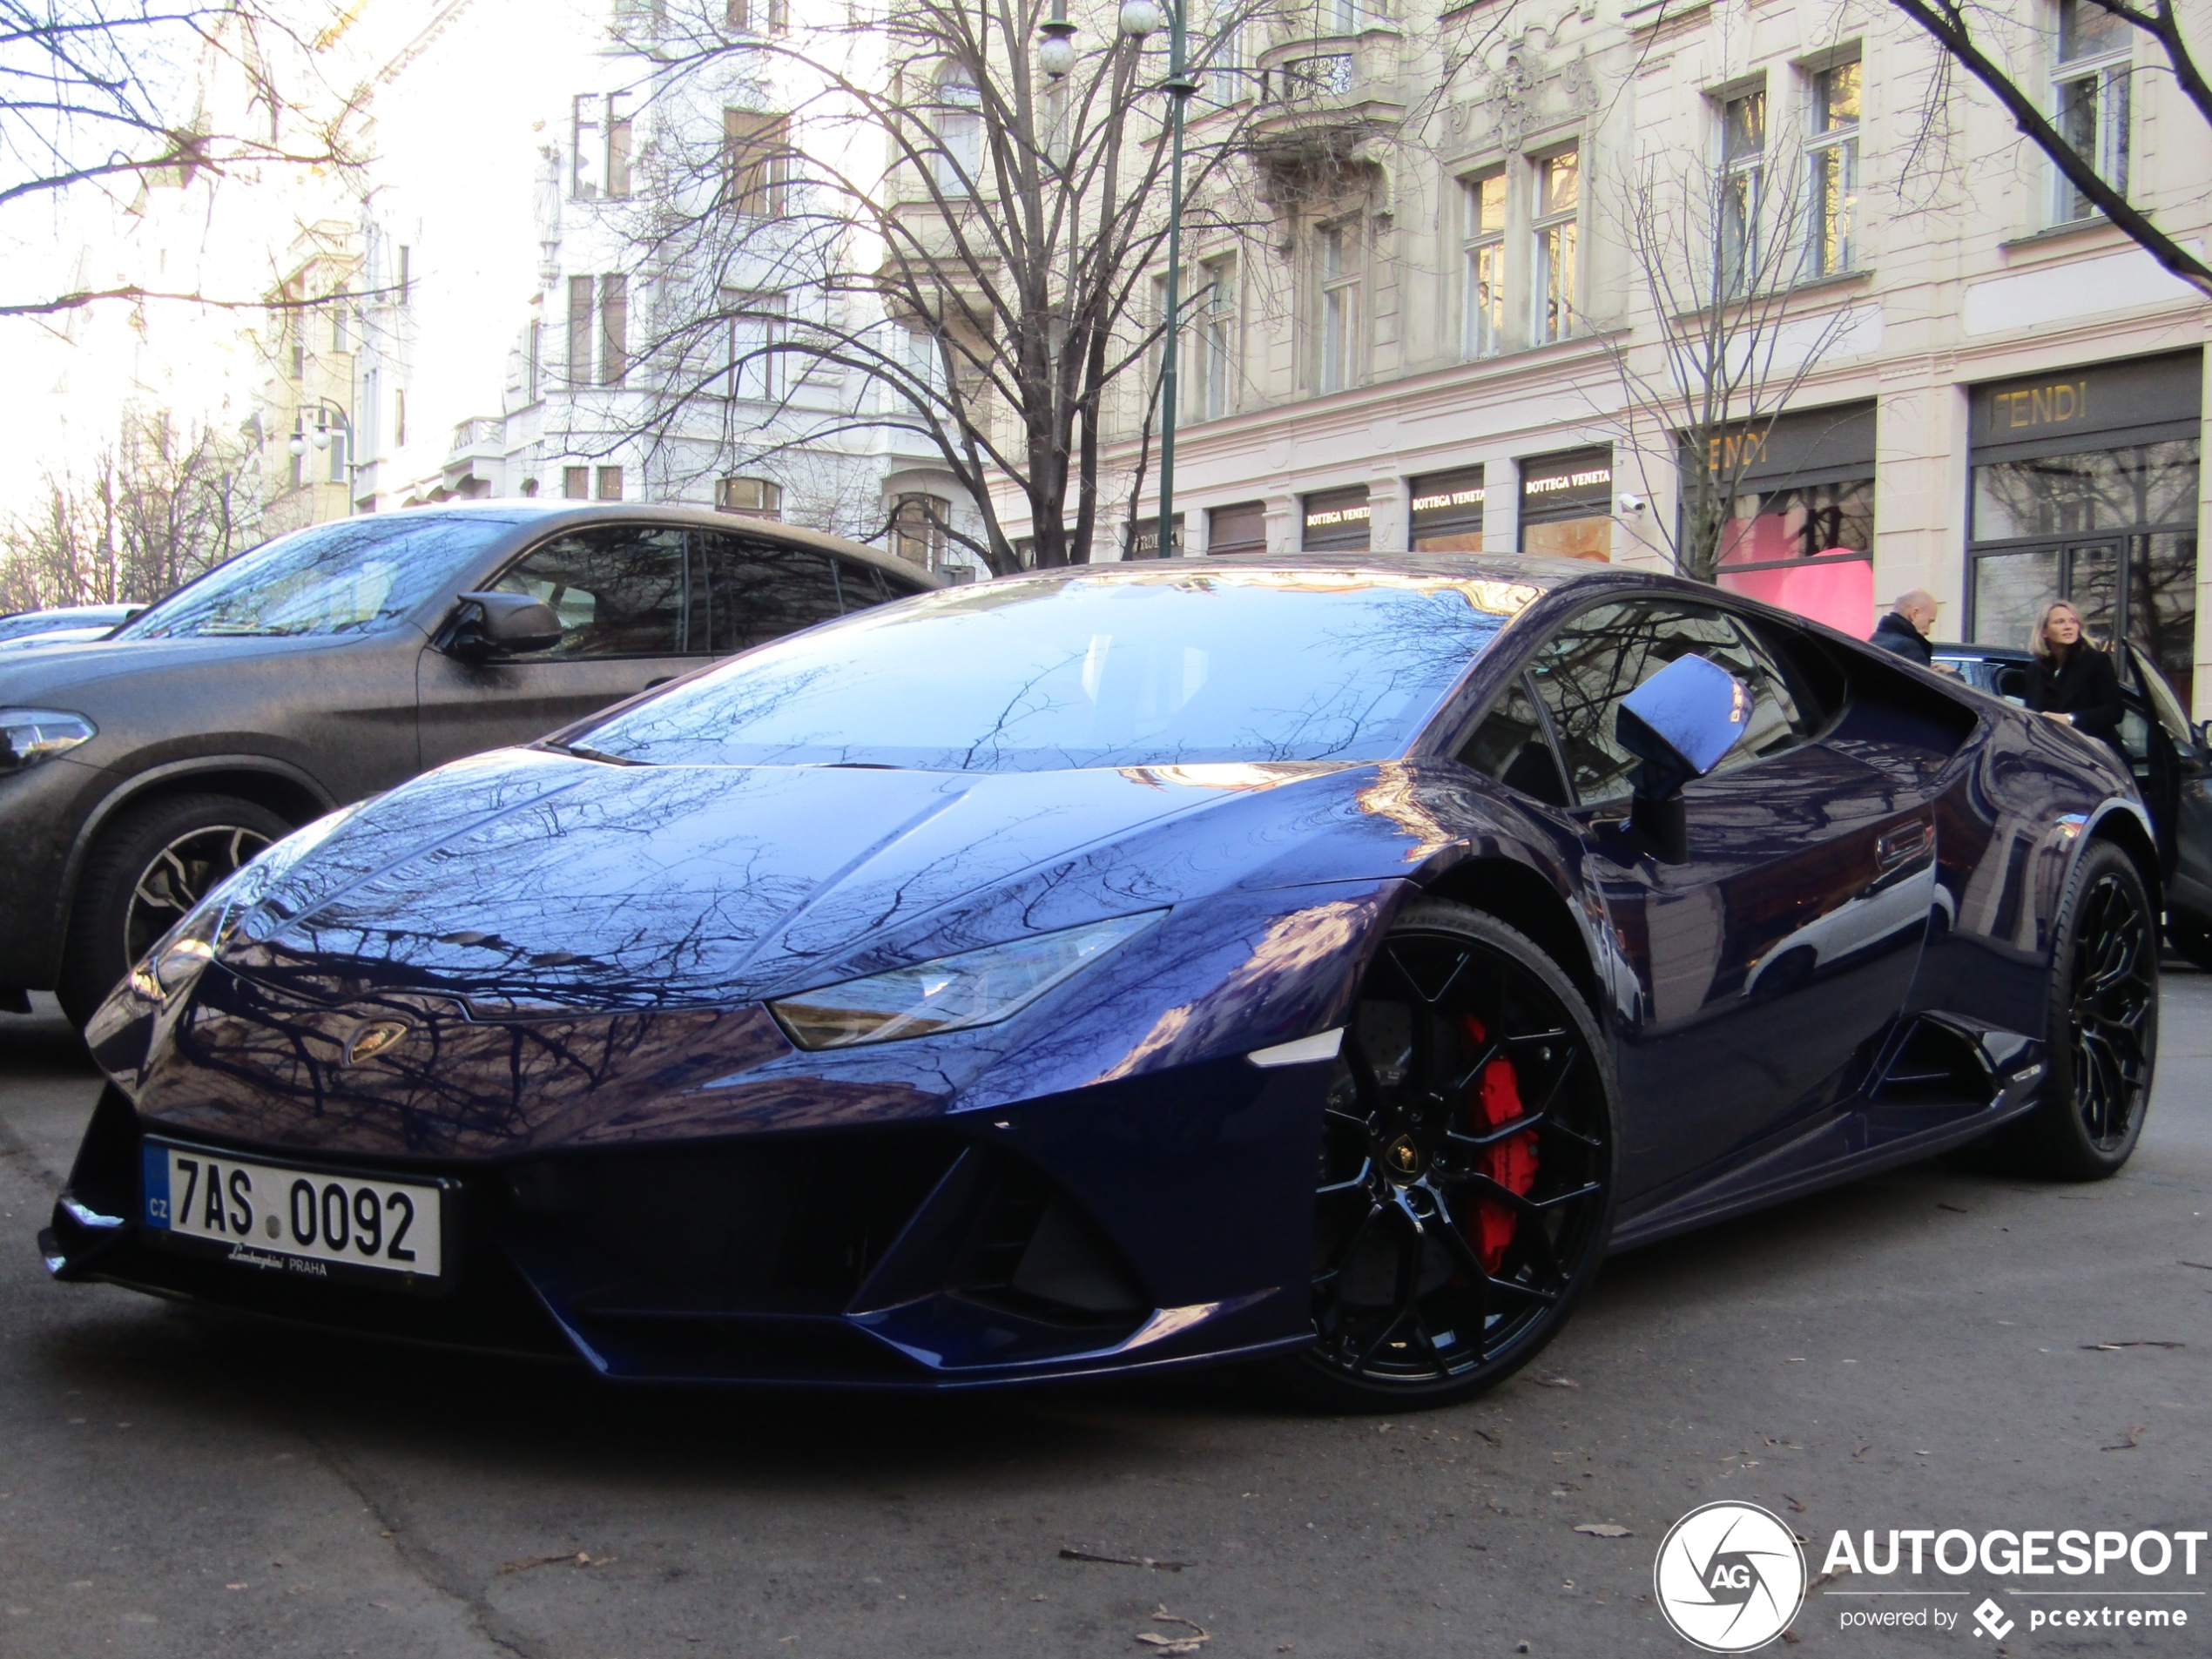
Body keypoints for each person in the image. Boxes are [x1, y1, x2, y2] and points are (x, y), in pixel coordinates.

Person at [2024, 599, 2126, 759]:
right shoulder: (2034, 671)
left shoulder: (2096, 661)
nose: (2068, 626)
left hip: (2096, 758)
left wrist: (2070, 719)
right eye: (2059, 622)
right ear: (2044, 631)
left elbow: (2115, 711)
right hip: (2055, 757)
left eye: (2073, 621)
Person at [1870, 590, 1940, 666]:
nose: (1928, 631)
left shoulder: (1874, 640)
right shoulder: (1910, 648)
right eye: (1929, 622)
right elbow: (1921, 678)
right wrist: (1950, 674)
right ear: (1914, 614)